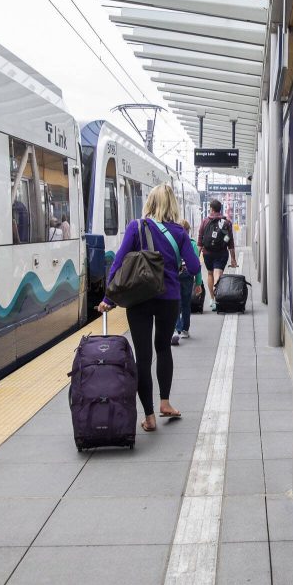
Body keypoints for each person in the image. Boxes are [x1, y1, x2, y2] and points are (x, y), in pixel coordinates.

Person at [98, 184, 200, 433]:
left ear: (150, 203)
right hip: (169, 298)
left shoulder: (136, 227)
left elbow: (118, 264)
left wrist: (108, 299)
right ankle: (165, 403)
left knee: (143, 357)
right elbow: (196, 266)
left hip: (139, 298)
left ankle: (150, 417)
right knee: (163, 348)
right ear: (172, 205)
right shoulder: (179, 232)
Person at [198, 199, 237, 310]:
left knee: (210, 274)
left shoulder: (204, 222)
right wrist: (233, 259)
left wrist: (197, 256)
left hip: (207, 253)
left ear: (211, 208)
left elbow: (200, 242)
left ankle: (212, 299)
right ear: (220, 209)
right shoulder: (226, 222)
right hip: (221, 253)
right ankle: (218, 299)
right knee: (218, 274)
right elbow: (230, 241)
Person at [171, 220, 204, 346]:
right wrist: (199, 282)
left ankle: (176, 328)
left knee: (176, 303)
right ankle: (185, 329)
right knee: (186, 303)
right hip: (188, 276)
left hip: (175, 275)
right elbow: (196, 264)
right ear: (188, 231)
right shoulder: (192, 244)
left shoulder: (172, 243)